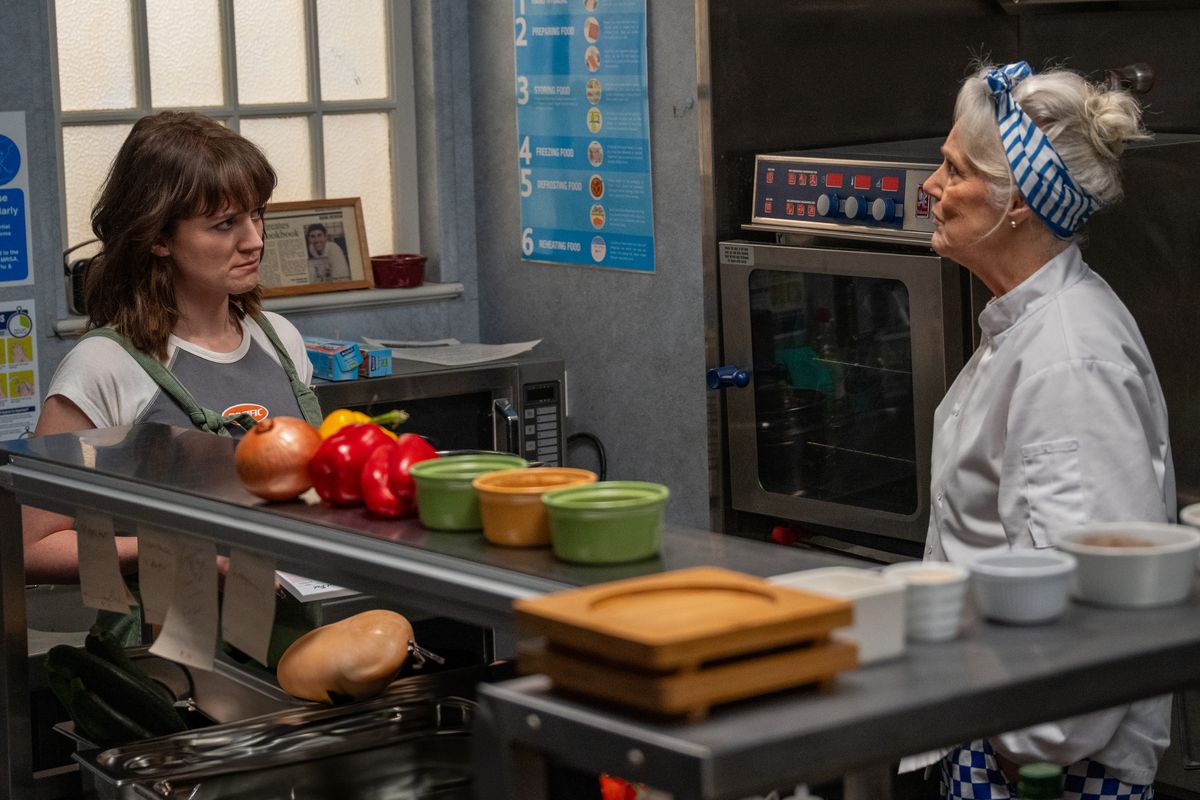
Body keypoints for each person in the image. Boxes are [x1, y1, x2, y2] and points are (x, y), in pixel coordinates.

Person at [918, 61, 1171, 800]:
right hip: (1008, 735)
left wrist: (1022, 748)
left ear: (1018, 203)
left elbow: (1092, 597)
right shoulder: (1028, 326)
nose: (930, 187)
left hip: (1048, 770)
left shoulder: (1068, 361)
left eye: (953, 169)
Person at [24, 111, 322, 584]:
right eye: (225, 224)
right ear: (159, 237)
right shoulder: (105, 365)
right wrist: (166, 552)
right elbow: (34, 545)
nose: (254, 240)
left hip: (300, 617)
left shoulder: (280, 340)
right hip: (173, 641)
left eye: (256, 214)